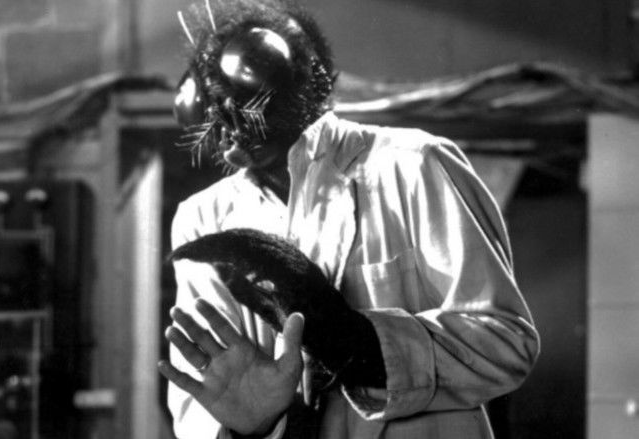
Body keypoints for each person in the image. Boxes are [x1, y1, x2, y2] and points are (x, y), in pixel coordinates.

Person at [157, 1, 540, 438]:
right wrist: (250, 426)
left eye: (247, 97)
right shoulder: (203, 219)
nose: (229, 124)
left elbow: (505, 344)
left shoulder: (413, 166)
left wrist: (358, 344)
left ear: (307, 79)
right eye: (216, 107)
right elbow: (202, 404)